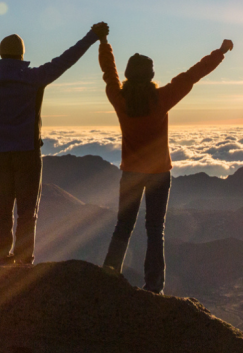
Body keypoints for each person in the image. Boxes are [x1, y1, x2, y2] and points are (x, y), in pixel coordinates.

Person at [0, 16, 109, 266]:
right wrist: (92, 36)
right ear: (21, 56)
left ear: (0, 55)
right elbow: (67, 59)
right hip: (28, 154)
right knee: (28, 211)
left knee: (3, 208)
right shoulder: (33, 78)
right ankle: (24, 257)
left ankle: (2, 258)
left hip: (1, 155)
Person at [99, 33, 233, 293]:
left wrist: (104, 43)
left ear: (128, 74)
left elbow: (109, 73)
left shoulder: (119, 99)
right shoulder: (161, 99)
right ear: (151, 75)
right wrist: (220, 52)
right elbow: (193, 74)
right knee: (154, 229)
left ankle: (108, 276)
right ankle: (154, 286)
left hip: (130, 173)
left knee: (123, 226)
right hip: (159, 173)